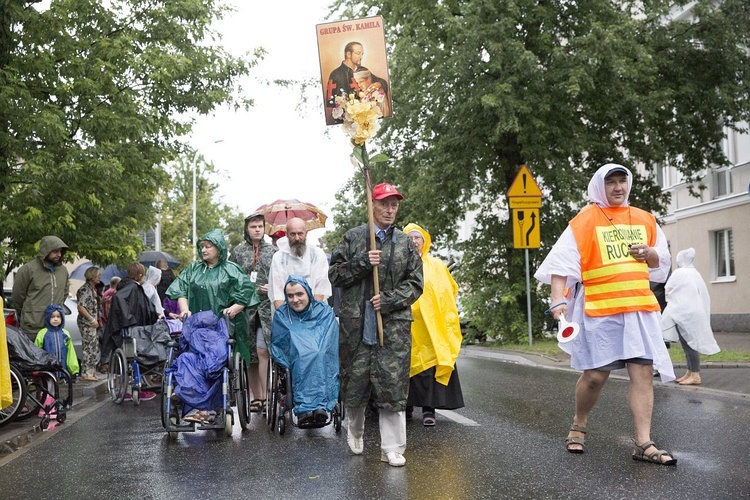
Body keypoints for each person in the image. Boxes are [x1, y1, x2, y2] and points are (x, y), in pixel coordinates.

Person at [535, 163, 677, 465]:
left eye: (622, 181)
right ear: (601, 186)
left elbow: (661, 261)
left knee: (642, 373)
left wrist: (648, 253)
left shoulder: (645, 219)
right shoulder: (585, 221)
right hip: (600, 311)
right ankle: (579, 423)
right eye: (611, 182)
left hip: (638, 309)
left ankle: (643, 443)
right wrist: (558, 300)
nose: (618, 188)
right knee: (595, 377)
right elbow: (561, 264)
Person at [329, 182, 423, 467]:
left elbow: (416, 284)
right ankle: (355, 432)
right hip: (355, 326)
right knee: (355, 382)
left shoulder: (406, 243)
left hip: (392, 327)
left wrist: (390, 299)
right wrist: (361, 262)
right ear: (372, 205)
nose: (390, 209)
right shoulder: (354, 237)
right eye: (384, 203)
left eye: (394, 204)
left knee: (392, 386)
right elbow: (335, 274)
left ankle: (392, 447)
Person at [166, 228, 259, 373]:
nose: (203, 250)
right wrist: (184, 309)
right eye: (202, 246)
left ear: (219, 248)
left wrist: (235, 308)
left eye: (208, 246)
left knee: (217, 356)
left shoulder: (231, 269)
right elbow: (181, 289)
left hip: (223, 326)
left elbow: (246, 292)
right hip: (196, 324)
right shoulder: (193, 269)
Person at [403, 223, 464, 427]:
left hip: (432, 327)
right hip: (407, 325)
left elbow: (448, 292)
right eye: (410, 238)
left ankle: (429, 409)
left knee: (429, 366)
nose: (414, 241)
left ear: (424, 241)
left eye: (417, 238)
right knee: (406, 366)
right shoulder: (398, 265)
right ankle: (406, 407)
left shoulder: (436, 265)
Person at [270, 276, 339, 426]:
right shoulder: (282, 315)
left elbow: (330, 339)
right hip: (295, 358)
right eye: (290, 296)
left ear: (308, 293)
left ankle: (319, 404)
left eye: (299, 294)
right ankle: (306, 407)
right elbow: (277, 343)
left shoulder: (324, 312)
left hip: (321, 355)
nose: (295, 299)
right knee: (303, 357)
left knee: (319, 355)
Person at [229, 213, 277, 414]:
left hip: (266, 308)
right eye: (253, 227)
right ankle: (256, 396)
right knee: (248, 354)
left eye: (260, 226)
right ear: (246, 229)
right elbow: (231, 277)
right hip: (245, 308)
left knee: (263, 350)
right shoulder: (238, 252)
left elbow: (281, 277)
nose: (257, 229)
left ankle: (266, 395)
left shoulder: (273, 251)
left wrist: (272, 287)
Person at [661, 248, 720, 386]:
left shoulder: (679, 273)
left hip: (683, 313)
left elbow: (668, 289)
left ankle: (695, 375)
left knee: (689, 345)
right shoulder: (695, 273)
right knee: (690, 343)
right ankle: (690, 371)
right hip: (694, 312)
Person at [102, 262, 159, 400]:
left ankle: (127, 388)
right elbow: (146, 308)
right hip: (135, 330)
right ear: (139, 274)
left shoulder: (123, 287)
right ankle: (138, 385)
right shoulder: (134, 288)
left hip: (124, 330)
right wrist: (132, 318)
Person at [12, 236, 70, 338]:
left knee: (54, 354)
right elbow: (18, 297)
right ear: (46, 250)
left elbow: (64, 293)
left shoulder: (63, 271)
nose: (59, 254)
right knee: (31, 354)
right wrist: (29, 313)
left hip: (55, 328)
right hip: (32, 328)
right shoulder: (28, 269)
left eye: (60, 251)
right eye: (55, 251)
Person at [269, 217, 332, 310]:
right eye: (293, 234)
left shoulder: (317, 254)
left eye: (300, 233)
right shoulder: (278, 257)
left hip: (314, 309)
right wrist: (285, 318)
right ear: (286, 234)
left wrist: (311, 314)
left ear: (306, 233)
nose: (297, 238)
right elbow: (276, 291)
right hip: (287, 310)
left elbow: (321, 287)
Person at [325, 42, 388, 115]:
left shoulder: (362, 70)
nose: (361, 57)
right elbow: (331, 103)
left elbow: (381, 81)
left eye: (362, 54)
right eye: (358, 53)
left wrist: (378, 84)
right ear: (348, 54)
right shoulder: (336, 74)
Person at [35, 304, 80, 377]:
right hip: (48, 372)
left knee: (62, 387)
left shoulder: (65, 333)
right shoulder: (42, 333)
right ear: (47, 318)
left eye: (58, 317)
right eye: (52, 317)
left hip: (63, 371)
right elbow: (37, 352)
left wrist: (74, 370)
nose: (55, 319)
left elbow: (71, 353)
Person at [76, 266, 102, 382]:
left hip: (92, 323)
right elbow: (81, 307)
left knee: (94, 347)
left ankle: (92, 371)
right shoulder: (85, 290)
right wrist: (91, 319)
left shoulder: (93, 289)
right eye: (97, 275)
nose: (99, 277)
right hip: (87, 323)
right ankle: (86, 373)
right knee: (88, 347)